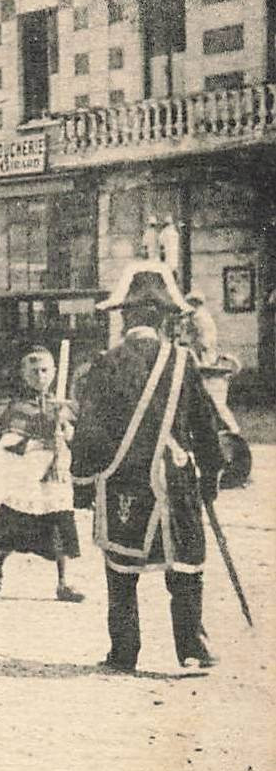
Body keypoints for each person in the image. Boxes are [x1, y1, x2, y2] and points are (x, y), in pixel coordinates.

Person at [71, 263, 224, 673]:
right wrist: (210, 475)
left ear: (124, 317)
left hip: (123, 480)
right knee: (185, 564)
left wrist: (83, 486)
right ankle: (193, 649)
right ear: (164, 319)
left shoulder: (105, 362)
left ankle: (124, 653)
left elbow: (89, 430)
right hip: (175, 477)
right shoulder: (181, 360)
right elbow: (204, 424)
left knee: (121, 569)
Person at [0, 346, 82, 602]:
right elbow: (6, 440)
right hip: (29, 473)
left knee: (61, 520)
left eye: (45, 370)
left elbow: (74, 437)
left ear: (54, 372)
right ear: (24, 374)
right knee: (21, 524)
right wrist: (38, 443)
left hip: (57, 473)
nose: (40, 376)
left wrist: (66, 429)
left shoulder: (62, 406)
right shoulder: (18, 407)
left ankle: (63, 583)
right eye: (34, 371)